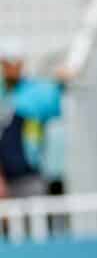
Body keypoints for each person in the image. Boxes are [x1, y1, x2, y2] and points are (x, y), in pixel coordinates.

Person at [0, 39, 70, 199]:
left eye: (16, 62)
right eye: (7, 62)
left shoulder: (35, 93)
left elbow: (53, 99)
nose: (12, 67)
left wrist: (61, 83)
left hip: (29, 175)